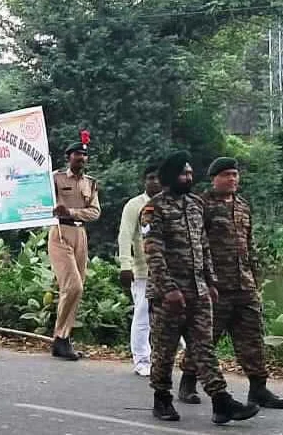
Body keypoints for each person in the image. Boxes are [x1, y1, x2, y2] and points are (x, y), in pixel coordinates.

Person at [143, 150, 258, 424]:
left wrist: (211, 281)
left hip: (199, 291)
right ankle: (162, 399)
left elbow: (203, 246)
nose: (189, 177)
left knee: (203, 347)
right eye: (184, 173)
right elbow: (153, 251)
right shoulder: (154, 209)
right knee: (165, 349)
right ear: (172, 176)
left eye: (191, 172)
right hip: (168, 294)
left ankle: (221, 402)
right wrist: (168, 289)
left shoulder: (196, 204)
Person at [177, 157, 283, 409]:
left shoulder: (243, 206)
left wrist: (255, 279)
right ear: (214, 178)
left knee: (252, 337)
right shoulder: (200, 205)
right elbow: (194, 246)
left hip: (243, 284)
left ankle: (258, 388)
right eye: (226, 175)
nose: (232, 179)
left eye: (235, 175)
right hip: (215, 286)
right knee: (206, 337)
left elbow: (249, 245)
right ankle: (188, 381)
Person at [49, 136, 101, 360]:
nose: (81, 159)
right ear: (69, 157)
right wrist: (56, 209)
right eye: (77, 156)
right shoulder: (56, 178)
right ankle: (60, 337)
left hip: (80, 232)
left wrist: (70, 211)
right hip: (60, 232)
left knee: (77, 288)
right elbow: (44, 201)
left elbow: (95, 212)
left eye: (84, 156)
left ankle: (63, 338)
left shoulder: (90, 182)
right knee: (73, 286)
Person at [117, 164, 161, 377]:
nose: (154, 182)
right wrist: (125, 266)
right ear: (144, 181)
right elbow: (125, 236)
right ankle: (141, 360)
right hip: (143, 270)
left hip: (168, 271)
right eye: (150, 178)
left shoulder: (170, 204)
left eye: (158, 178)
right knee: (142, 314)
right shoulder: (135, 205)